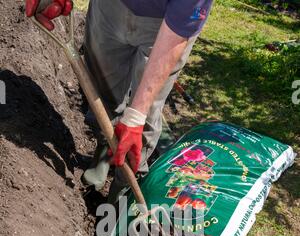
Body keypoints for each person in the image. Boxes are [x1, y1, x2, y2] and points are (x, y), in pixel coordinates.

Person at [26, 0, 214, 202]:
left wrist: (136, 115)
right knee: (103, 86)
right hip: (110, 7)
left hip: (165, 25)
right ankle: (106, 148)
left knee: (145, 115)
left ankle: (124, 184)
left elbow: (181, 24)